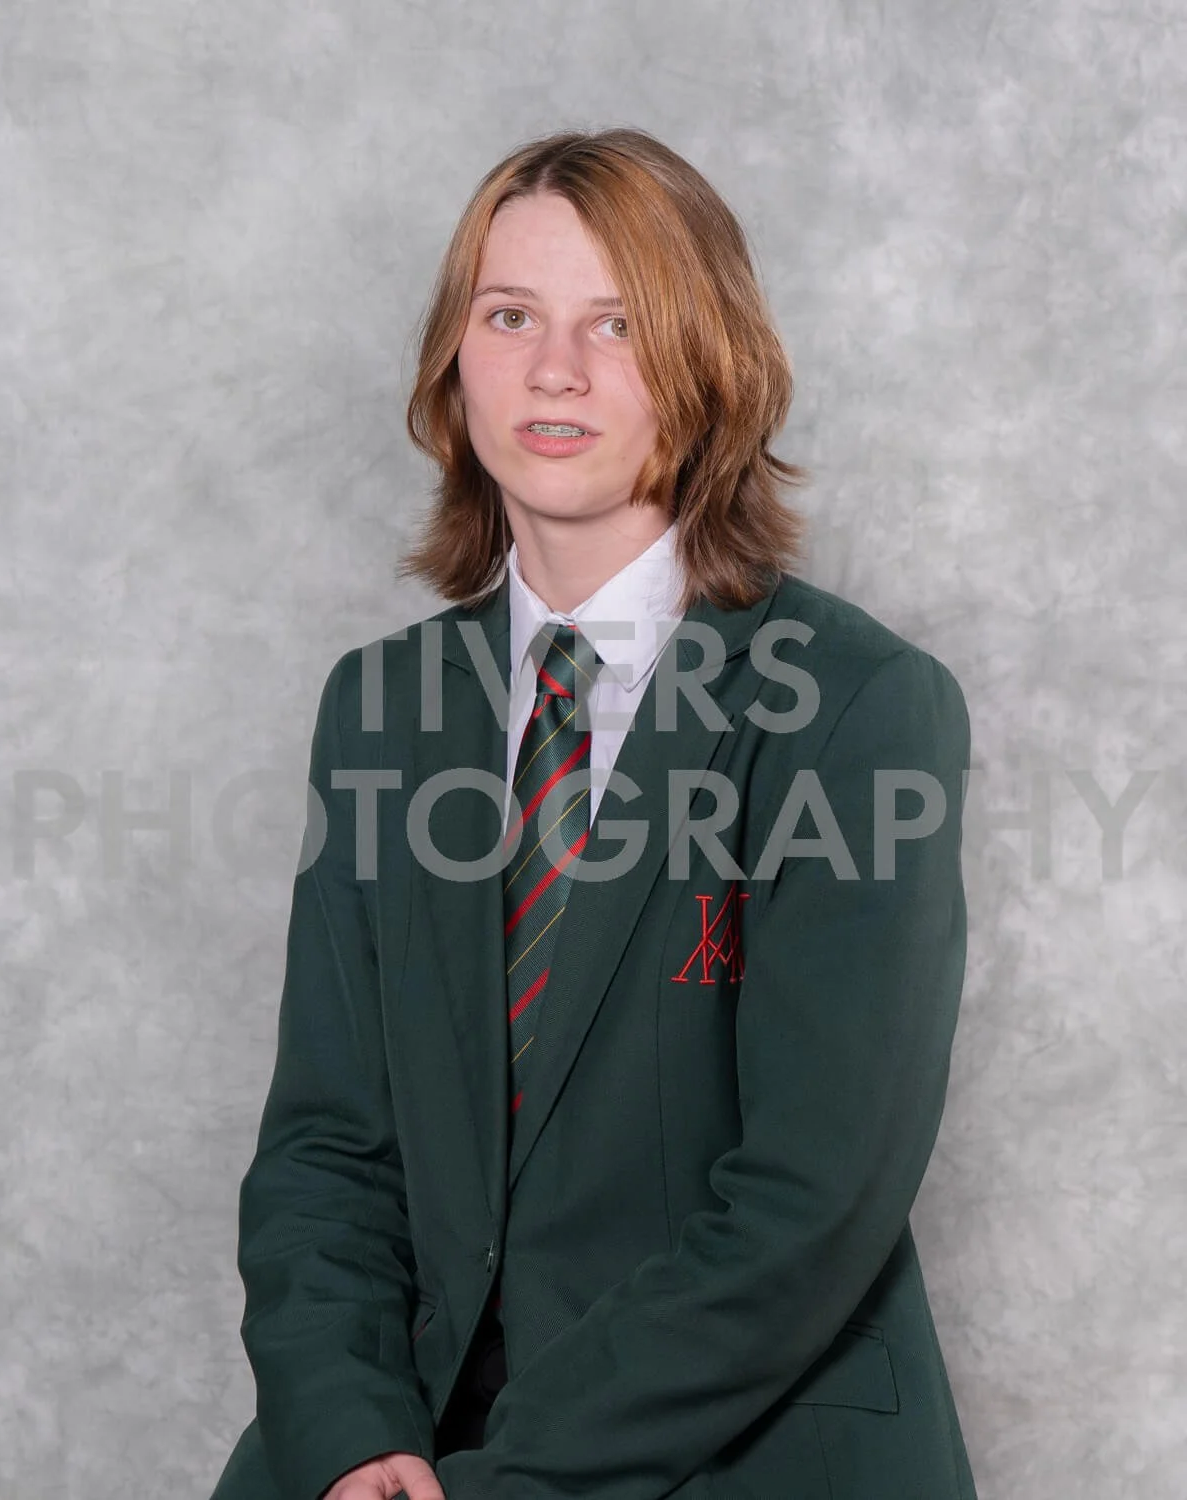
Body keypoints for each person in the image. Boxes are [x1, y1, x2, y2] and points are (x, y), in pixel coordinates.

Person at [210, 126, 978, 1500]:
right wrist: (355, 1439)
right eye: (511, 316)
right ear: (455, 359)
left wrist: (512, 1481)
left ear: (709, 365)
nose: (554, 370)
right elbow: (328, 1147)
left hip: (735, 1447)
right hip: (408, 1440)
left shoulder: (857, 708)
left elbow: (810, 1205)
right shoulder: (381, 709)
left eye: (616, 324)